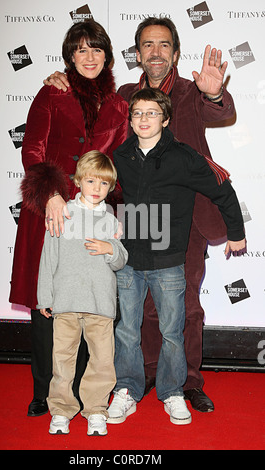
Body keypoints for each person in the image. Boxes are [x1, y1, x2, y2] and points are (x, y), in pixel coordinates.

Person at [43, 17, 236, 413]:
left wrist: (214, 95)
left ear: (176, 53)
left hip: (187, 219)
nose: (156, 52)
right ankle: (146, 377)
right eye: (147, 45)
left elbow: (217, 112)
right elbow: (90, 122)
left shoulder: (190, 90)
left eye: (164, 45)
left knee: (186, 307)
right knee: (138, 309)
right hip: (135, 220)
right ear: (137, 54)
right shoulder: (125, 95)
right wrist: (60, 80)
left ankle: (187, 383)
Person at [9, 20, 128, 418]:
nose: (89, 57)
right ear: (69, 57)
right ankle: (44, 392)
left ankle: (80, 391)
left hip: (95, 216)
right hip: (53, 213)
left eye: (96, 49)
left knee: (89, 300)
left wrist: (118, 215)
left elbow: (121, 165)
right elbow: (32, 150)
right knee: (50, 302)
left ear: (107, 56)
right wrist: (53, 194)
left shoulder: (118, 105)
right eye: (81, 50)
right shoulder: (51, 92)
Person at [107, 88, 245, 426]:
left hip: (169, 261)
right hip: (128, 260)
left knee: (172, 331)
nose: (143, 119)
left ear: (166, 119)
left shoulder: (185, 156)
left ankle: (171, 392)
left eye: (152, 113)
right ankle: (126, 389)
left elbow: (222, 188)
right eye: (137, 113)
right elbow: (100, 192)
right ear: (130, 119)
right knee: (126, 330)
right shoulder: (120, 155)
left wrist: (236, 232)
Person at [36, 151, 128, 436]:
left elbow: (121, 259)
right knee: (62, 360)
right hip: (65, 302)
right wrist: (44, 297)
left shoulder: (112, 220)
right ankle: (61, 411)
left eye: (103, 184)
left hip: (100, 304)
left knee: (102, 361)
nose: (97, 189)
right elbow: (48, 256)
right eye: (91, 181)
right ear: (77, 181)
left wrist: (110, 248)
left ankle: (96, 410)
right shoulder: (63, 213)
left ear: (110, 187)